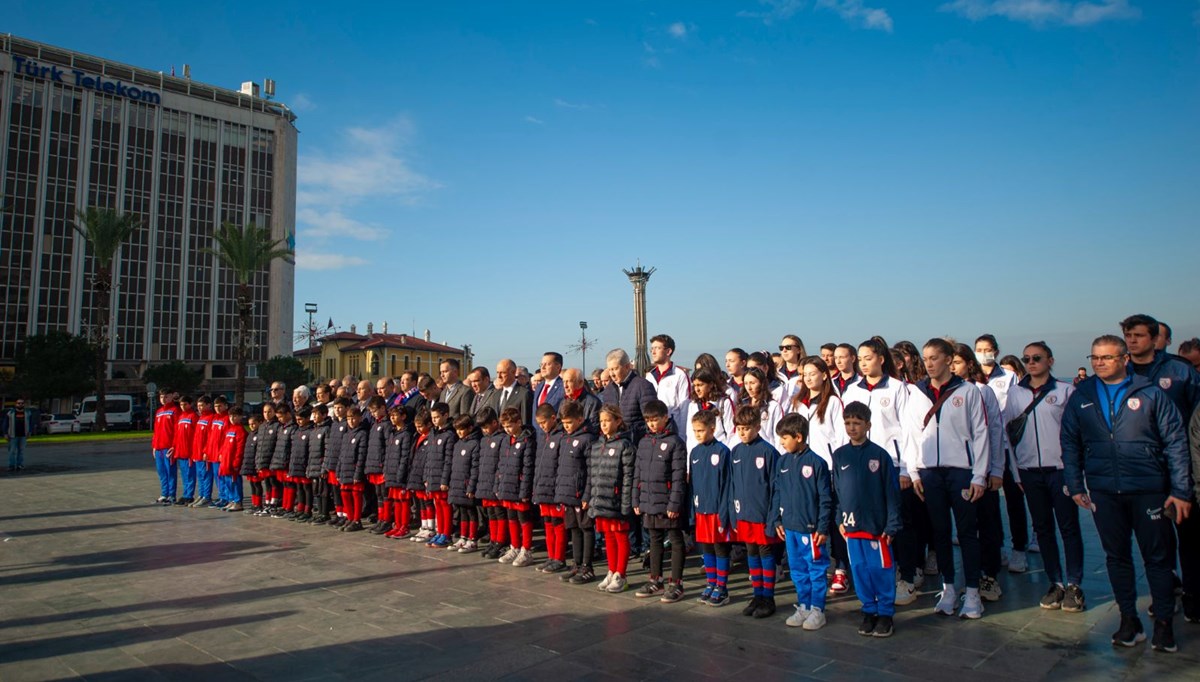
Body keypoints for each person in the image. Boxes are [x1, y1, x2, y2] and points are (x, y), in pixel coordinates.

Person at [1062, 334, 1191, 652]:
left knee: (1158, 560)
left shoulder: (1149, 392)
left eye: (1106, 357)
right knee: (1116, 558)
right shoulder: (1083, 394)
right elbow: (1070, 440)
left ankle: (1163, 624)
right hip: (1104, 490)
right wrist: (1076, 484)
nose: (1100, 363)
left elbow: (1175, 442)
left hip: (1149, 489)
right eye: (1095, 358)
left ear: (1124, 359)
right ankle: (1129, 621)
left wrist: (1181, 490)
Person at [1120, 313, 1200, 621]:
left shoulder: (1179, 372)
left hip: (1181, 466)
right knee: (1156, 538)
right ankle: (1167, 590)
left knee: (1189, 535)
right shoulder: (1121, 372)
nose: (1132, 340)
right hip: (1142, 471)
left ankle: (1192, 593)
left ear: (1155, 339)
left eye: (1138, 335)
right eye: (1128, 335)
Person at [907, 338, 990, 620]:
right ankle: (949, 587)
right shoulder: (916, 392)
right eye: (926, 358)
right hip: (930, 471)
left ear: (948, 359)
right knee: (939, 532)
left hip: (961, 471)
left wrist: (980, 475)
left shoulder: (967, 391)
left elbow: (980, 433)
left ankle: (974, 591)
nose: (929, 363)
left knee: (967, 532)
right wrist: (915, 470)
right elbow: (912, 434)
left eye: (935, 358)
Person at [841, 337, 924, 604]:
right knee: (873, 522)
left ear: (882, 359)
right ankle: (882, 573)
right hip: (862, 468)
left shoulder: (899, 388)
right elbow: (848, 432)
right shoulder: (853, 390)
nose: (864, 363)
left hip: (892, 465)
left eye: (869, 358)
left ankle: (908, 577)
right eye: (861, 358)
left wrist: (905, 469)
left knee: (901, 523)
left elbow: (908, 431)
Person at [1003, 341, 1084, 612]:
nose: (1031, 363)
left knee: (1069, 528)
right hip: (1029, 471)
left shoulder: (1065, 391)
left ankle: (1074, 583)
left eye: (1037, 357)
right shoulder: (1015, 394)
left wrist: (1075, 472)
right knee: (1043, 529)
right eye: (1027, 358)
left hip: (1059, 471)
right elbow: (1008, 434)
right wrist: (1016, 473)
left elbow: (1076, 434)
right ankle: (1056, 582)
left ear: (1050, 360)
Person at [833, 402, 903, 638]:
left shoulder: (879, 456)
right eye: (848, 423)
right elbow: (839, 492)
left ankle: (885, 613)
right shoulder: (840, 455)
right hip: (852, 528)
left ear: (868, 425)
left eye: (857, 423)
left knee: (880, 570)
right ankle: (868, 610)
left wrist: (891, 525)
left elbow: (892, 494)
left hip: (877, 528)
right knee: (860, 569)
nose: (852, 428)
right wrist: (839, 518)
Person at [950, 344, 1008, 604]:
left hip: (981, 469)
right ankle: (967, 579)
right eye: (950, 362)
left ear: (969, 364)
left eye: (958, 362)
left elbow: (994, 432)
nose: (953, 367)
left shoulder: (982, 391)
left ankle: (989, 575)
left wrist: (995, 469)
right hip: (955, 470)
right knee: (965, 530)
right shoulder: (941, 392)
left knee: (987, 523)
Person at [788, 357, 849, 593]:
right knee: (810, 519)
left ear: (824, 374)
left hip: (827, 469)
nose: (808, 378)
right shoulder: (797, 403)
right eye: (805, 374)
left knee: (833, 519)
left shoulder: (833, 402)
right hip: (801, 470)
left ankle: (841, 568)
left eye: (813, 373)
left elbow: (841, 440)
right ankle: (814, 566)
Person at [771, 413, 833, 631]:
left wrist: (822, 527)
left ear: (798, 437)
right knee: (797, 570)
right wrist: (776, 520)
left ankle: (818, 609)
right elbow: (777, 491)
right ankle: (804, 606)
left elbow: (826, 499)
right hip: (790, 528)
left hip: (811, 530)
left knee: (815, 569)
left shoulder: (817, 463)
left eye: (785, 438)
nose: (781, 442)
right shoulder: (783, 461)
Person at [632, 400, 688, 603]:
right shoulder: (644, 442)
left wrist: (674, 503)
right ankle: (655, 579)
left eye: (655, 420)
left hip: (667, 502)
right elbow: (637, 473)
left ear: (665, 417)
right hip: (649, 500)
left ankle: (677, 583)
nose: (652, 424)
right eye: (648, 420)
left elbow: (678, 476)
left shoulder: (675, 443)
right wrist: (636, 499)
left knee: (675, 540)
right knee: (654, 540)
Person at [730, 404, 782, 618]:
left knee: (766, 554)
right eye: (739, 428)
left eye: (747, 428)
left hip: (763, 516)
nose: (743, 433)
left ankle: (768, 597)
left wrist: (773, 517)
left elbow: (776, 487)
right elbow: (732, 485)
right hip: (745, 515)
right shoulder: (736, 451)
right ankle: (757, 594)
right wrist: (733, 514)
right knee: (751, 553)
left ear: (758, 427)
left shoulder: (769, 452)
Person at [689, 409, 734, 606]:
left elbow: (727, 485)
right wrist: (692, 512)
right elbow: (692, 485)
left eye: (700, 430)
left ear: (712, 429)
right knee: (706, 549)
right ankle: (711, 582)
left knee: (720, 548)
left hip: (717, 511)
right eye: (694, 431)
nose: (697, 434)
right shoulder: (695, 452)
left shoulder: (723, 452)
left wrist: (724, 514)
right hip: (701, 511)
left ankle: (722, 587)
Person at [590, 404, 637, 593]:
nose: (603, 425)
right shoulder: (598, 445)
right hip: (601, 500)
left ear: (618, 421)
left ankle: (621, 574)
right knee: (608, 536)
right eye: (601, 421)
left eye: (607, 421)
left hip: (616, 500)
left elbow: (628, 477)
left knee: (620, 536)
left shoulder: (625, 445)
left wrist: (626, 502)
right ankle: (611, 569)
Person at [555, 400, 597, 583]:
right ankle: (577, 564)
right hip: (568, 493)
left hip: (581, 494)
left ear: (580, 420)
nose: (566, 427)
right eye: (564, 424)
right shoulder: (565, 438)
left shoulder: (587, 439)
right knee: (573, 529)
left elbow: (590, 470)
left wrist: (587, 494)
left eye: (569, 423)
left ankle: (587, 566)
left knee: (586, 528)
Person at [495, 407, 536, 567]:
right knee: (511, 517)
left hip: (519, 487)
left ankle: (526, 549)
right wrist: (498, 485)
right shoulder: (506, 440)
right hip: (507, 485)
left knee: (523, 518)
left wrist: (525, 490)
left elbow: (527, 467)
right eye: (504, 426)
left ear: (519, 422)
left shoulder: (527, 441)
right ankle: (515, 546)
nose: (507, 429)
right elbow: (501, 464)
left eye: (510, 426)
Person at [532, 403, 567, 572]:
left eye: (543, 423)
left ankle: (559, 557)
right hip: (543, 488)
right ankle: (551, 556)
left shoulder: (561, 436)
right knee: (547, 523)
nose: (541, 426)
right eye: (539, 424)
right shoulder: (542, 437)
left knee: (557, 523)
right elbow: (538, 464)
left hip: (555, 489)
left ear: (553, 418)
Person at [601, 348, 658, 443]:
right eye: (610, 369)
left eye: (615, 369)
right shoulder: (608, 390)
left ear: (627, 367)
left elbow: (651, 420)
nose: (612, 374)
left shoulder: (643, 386)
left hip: (636, 443)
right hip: (614, 445)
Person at [473, 407, 507, 556]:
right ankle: (493, 539)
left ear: (495, 423)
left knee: (500, 514)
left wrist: (498, 483)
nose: (485, 430)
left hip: (496, 484)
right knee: (491, 514)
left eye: (486, 427)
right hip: (485, 483)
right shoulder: (484, 440)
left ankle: (501, 541)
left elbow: (501, 464)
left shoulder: (502, 438)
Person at [424, 402, 458, 547]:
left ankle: (446, 534)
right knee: (437, 505)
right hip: (432, 475)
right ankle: (439, 532)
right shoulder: (432, 433)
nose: (434, 420)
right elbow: (428, 457)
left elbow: (449, 460)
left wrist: (445, 480)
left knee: (445, 506)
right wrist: (426, 476)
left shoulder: (449, 435)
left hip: (442, 477)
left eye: (437, 417)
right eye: (433, 417)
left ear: (446, 415)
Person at [447, 413, 482, 552]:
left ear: (470, 428)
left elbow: (475, 468)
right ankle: (463, 536)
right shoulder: (458, 444)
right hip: (457, 484)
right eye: (457, 430)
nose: (459, 433)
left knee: (471, 512)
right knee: (461, 512)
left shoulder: (474, 444)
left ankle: (472, 539)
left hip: (467, 485)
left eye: (461, 429)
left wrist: (471, 487)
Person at [381, 405, 413, 538]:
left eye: (395, 415)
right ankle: (398, 525)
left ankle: (404, 527)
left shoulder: (406, 434)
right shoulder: (392, 433)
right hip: (391, 473)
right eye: (391, 415)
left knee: (403, 501)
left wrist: (401, 473)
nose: (392, 418)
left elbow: (405, 456)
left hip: (401, 475)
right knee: (396, 501)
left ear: (403, 417)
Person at [646, 334, 690, 430]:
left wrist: (682, 435)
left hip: (673, 429)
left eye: (657, 348)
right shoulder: (649, 377)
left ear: (668, 351)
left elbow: (685, 407)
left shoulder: (679, 375)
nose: (653, 352)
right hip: (653, 430)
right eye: (652, 349)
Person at [336, 406, 370, 532]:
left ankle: (357, 519)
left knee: (356, 495)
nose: (351, 421)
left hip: (354, 470)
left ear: (360, 418)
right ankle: (350, 518)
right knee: (345, 494)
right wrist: (338, 470)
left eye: (353, 418)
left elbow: (361, 455)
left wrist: (358, 474)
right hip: (345, 469)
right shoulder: (346, 435)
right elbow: (341, 454)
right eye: (349, 418)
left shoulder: (362, 434)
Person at [738, 367, 783, 450]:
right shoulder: (742, 405)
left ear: (761, 383)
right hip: (745, 449)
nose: (749, 387)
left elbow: (778, 434)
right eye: (746, 383)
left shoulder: (773, 406)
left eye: (752, 383)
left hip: (766, 450)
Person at [151, 389, 180, 504]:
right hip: (159, 447)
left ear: (172, 397)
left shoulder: (175, 410)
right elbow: (156, 430)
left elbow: (177, 431)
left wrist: (174, 446)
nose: (163, 399)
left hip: (168, 447)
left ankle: (171, 495)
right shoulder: (158, 412)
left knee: (170, 472)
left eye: (166, 397)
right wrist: (154, 446)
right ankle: (164, 493)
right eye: (161, 397)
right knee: (162, 471)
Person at [219, 407, 247, 512]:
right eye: (230, 416)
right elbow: (224, 445)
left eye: (235, 416)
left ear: (240, 417)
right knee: (227, 482)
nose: (232, 418)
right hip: (225, 461)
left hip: (233, 462)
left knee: (234, 482)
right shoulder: (229, 429)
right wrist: (221, 454)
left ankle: (238, 501)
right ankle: (231, 500)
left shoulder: (240, 431)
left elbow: (240, 449)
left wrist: (236, 462)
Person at [495, 359, 534, 428]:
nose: (499, 376)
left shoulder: (523, 394)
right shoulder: (496, 394)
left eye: (503, 373)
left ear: (513, 372)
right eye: (497, 372)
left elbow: (525, 421)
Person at [173, 396, 197, 505]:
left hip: (189, 452)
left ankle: (189, 495)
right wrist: (174, 446)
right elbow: (177, 434)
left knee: (190, 474)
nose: (183, 407)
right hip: (181, 451)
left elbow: (196, 436)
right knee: (184, 475)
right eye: (181, 405)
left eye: (185, 404)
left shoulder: (193, 416)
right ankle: (185, 493)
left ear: (190, 404)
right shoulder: (181, 416)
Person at [561, 368, 601, 432]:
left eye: (569, 381)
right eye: (564, 382)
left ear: (580, 383)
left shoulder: (593, 402)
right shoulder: (564, 401)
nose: (565, 386)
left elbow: (593, 427)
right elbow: (559, 424)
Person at [777, 335, 807, 401]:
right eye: (781, 348)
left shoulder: (806, 374)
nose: (784, 350)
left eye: (788, 347)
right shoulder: (776, 373)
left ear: (798, 350)